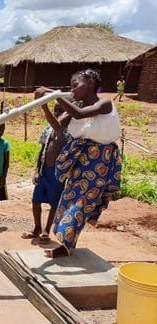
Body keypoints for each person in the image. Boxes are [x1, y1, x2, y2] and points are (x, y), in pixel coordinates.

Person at [36, 69, 122, 258]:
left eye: (76, 85)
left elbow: (81, 114)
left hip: (99, 161)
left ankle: (65, 247)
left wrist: (53, 94)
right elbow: (58, 127)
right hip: (81, 160)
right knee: (68, 200)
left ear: (90, 82)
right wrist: (44, 104)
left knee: (81, 203)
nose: (73, 89)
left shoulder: (104, 103)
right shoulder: (76, 105)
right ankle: (67, 244)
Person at [21, 101, 70, 243]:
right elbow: (42, 149)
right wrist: (37, 170)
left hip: (58, 173)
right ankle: (37, 228)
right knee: (36, 200)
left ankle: (46, 230)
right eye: (56, 110)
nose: (57, 114)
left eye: (61, 111)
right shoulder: (48, 129)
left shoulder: (70, 131)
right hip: (44, 170)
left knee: (54, 203)